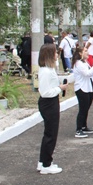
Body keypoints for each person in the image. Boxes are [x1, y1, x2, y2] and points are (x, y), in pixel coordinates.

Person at [36, 43, 69, 175]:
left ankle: (43, 161)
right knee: (51, 134)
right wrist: (59, 89)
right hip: (48, 103)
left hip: (52, 102)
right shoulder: (45, 71)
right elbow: (45, 92)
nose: (57, 55)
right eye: (55, 53)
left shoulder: (49, 70)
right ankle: (46, 164)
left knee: (49, 133)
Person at [72, 45, 93, 138]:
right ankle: (78, 130)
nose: (88, 53)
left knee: (86, 108)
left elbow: (91, 77)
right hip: (81, 89)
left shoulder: (84, 62)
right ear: (80, 53)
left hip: (88, 88)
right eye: (85, 51)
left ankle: (84, 126)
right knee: (82, 109)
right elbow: (88, 74)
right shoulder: (78, 63)